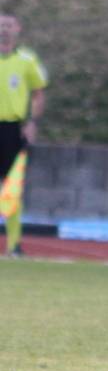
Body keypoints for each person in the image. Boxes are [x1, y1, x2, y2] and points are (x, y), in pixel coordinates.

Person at [0, 14, 47, 257]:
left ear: (17, 29)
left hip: (10, 129)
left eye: (8, 26)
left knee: (12, 188)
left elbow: (39, 93)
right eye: (1, 26)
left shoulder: (27, 60)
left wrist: (32, 123)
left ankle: (13, 245)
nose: (4, 30)